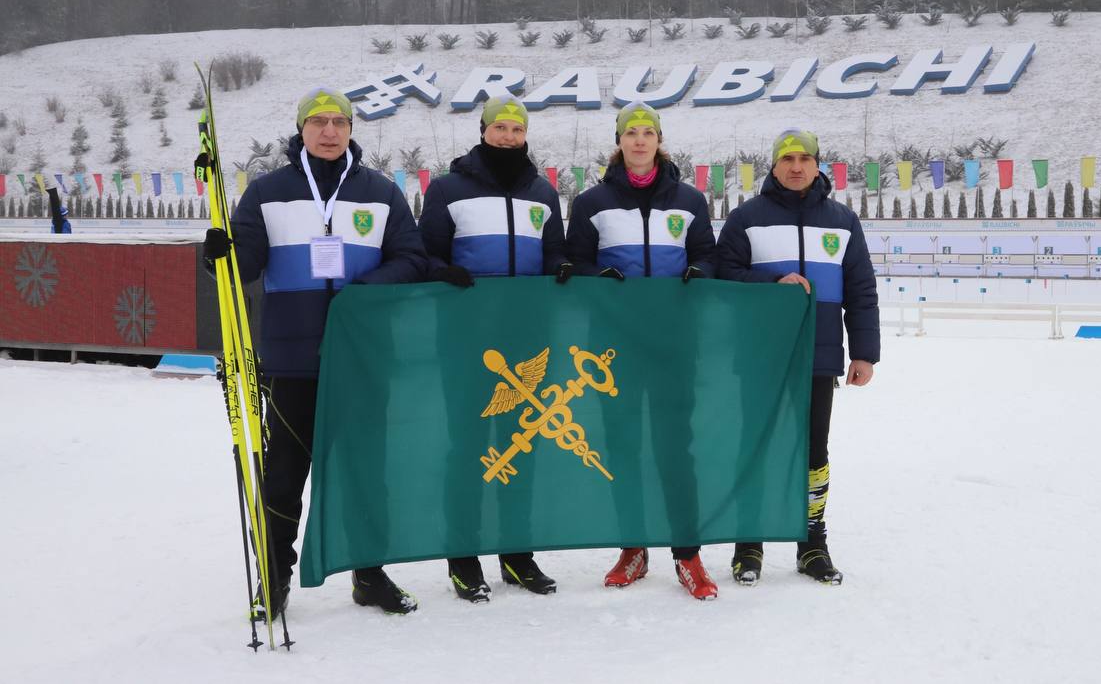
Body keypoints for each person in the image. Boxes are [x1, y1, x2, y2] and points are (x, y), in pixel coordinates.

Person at [205, 87, 429, 618]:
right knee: (284, 477)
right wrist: (220, 254)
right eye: (318, 122)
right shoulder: (267, 191)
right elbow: (246, 266)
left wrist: (366, 290)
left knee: (365, 474)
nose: (330, 131)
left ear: (352, 129)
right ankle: (274, 578)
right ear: (301, 129)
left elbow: (412, 257)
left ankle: (368, 575)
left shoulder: (381, 193)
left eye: (339, 121)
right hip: (293, 359)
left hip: (363, 357)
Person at [417, 93, 571, 603]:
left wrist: (562, 270)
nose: (508, 136)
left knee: (520, 443)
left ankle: (516, 552)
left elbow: (554, 254)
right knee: (466, 446)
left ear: (526, 135)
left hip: (525, 340)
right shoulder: (448, 189)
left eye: (516, 129)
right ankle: (462, 555)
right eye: (499, 127)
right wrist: (444, 271)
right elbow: (425, 255)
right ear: (482, 130)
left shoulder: (543, 193)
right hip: (465, 339)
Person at [564, 101, 718, 600]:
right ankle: (633, 547)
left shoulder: (691, 200)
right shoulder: (590, 203)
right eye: (630, 133)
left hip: (673, 343)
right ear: (619, 141)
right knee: (623, 448)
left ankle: (688, 553)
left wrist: (701, 273)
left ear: (659, 140)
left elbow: (707, 256)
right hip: (613, 350)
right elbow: (573, 265)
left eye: (647, 132)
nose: (638, 141)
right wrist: (596, 276)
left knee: (676, 450)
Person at [716, 128, 879, 586]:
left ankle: (812, 544)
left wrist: (865, 352)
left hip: (818, 355)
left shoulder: (843, 221)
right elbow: (722, 273)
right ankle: (748, 543)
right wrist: (771, 286)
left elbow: (861, 290)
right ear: (773, 165)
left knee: (813, 452)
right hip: (760, 355)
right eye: (786, 158)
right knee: (756, 446)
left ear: (817, 164)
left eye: (804, 158)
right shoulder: (746, 217)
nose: (795, 166)